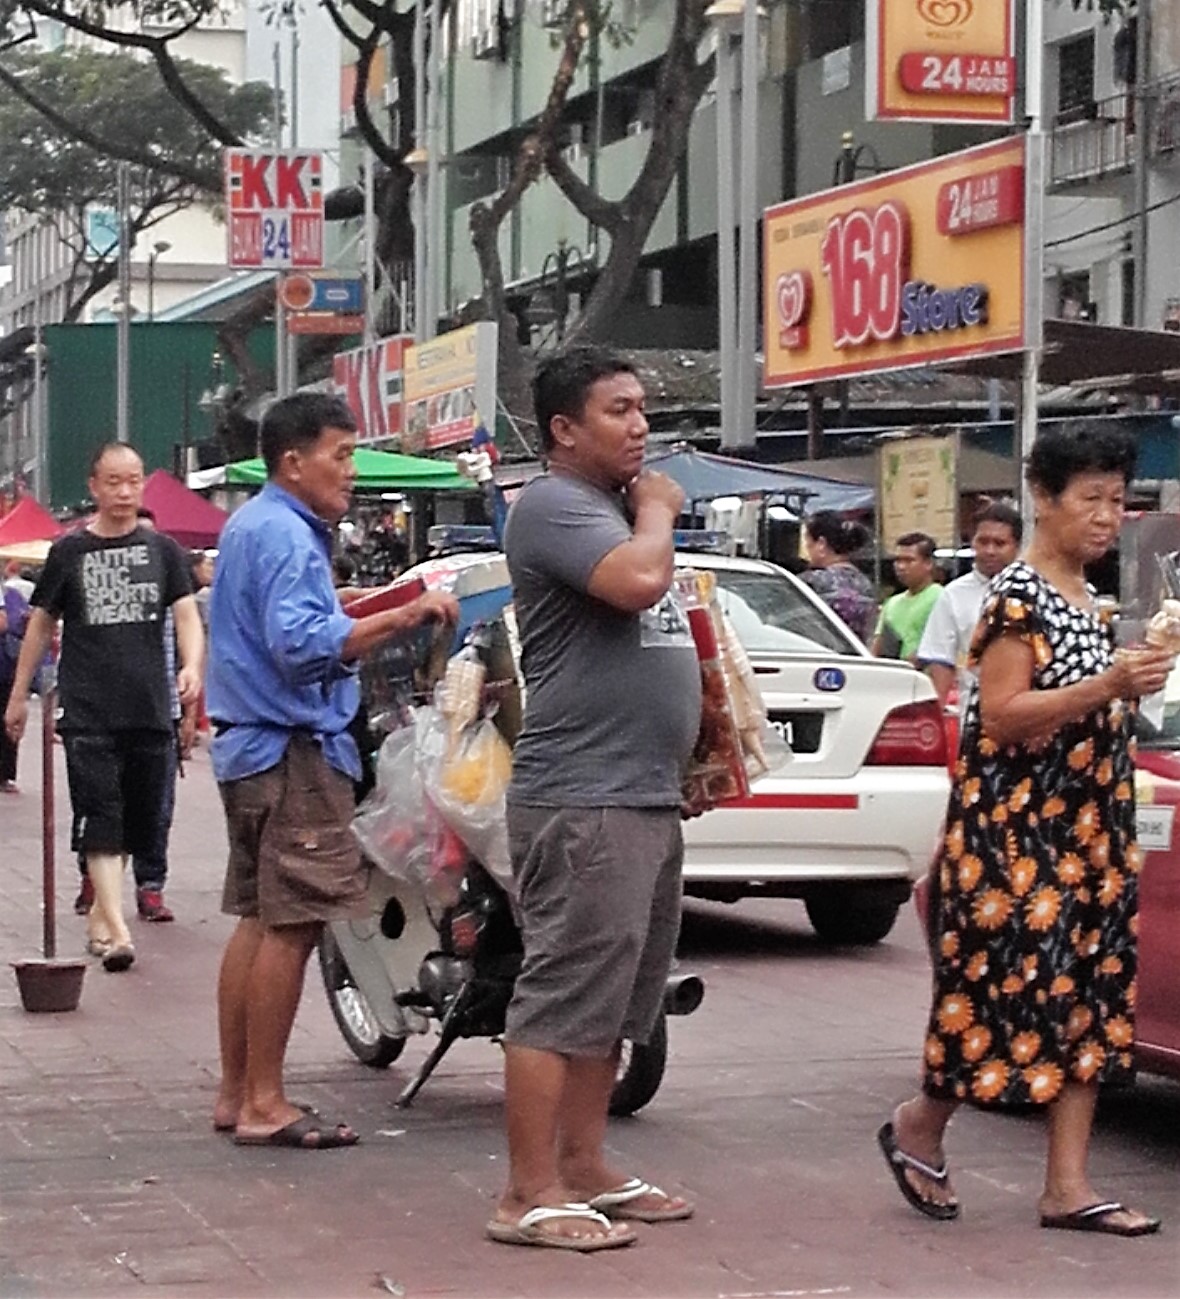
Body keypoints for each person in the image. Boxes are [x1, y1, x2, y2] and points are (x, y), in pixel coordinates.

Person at [877, 422, 1171, 1237]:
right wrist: (1109, 684)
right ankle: (920, 1124)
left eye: (1118, 500)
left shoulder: (1091, 597)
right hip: (1016, 833)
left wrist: (1134, 684)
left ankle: (1067, 1185)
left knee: (1090, 1000)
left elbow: (1095, 703)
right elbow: (1003, 714)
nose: (1107, 516)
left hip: (1092, 828)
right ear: (1044, 498)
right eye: (1091, 498)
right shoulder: (1018, 597)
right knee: (999, 993)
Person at [488, 347, 701, 1252]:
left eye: (644, 408)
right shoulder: (554, 504)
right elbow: (636, 581)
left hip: (640, 793)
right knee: (565, 996)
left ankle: (583, 1165)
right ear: (564, 430)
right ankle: (527, 1192)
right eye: (619, 409)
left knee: (615, 1003)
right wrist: (658, 509)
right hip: (585, 795)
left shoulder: (611, 511)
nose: (641, 426)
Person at [206, 392, 457, 1150]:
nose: (350, 470)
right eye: (340, 455)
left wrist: (359, 604)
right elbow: (302, 645)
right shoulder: (285, 533)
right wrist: (399, 617)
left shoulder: (258, 524)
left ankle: (238, 1092)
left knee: (260, 917)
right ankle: (264, 1100)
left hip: (253, 750)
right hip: (291, 752)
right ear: (293, 461)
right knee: (293, 924)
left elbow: (291, 619)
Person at [4, 444, 203, 972]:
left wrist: (192, 667)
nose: (124, 492)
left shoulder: (164, 551)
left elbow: (186, 615)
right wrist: (20, 694)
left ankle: (101, 917)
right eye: (113, 482)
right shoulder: (69, 552)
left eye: (133, 481)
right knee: (101, 814)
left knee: (142, 818)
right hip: (88, 707)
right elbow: (41, 624)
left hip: (149, 706)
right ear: (93, 486)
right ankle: (116, 931)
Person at [918, 502, 1023, 714]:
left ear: (1017, 546)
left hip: (1029, 712)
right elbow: (941, 661)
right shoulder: (953, 595)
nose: (990, 551)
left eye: (1000, 543)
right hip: (975, 712)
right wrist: (935, 715)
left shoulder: (1033, 590)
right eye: (983, 542)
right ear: (972, 543)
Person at [798, 511, 876, 642]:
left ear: (821, 544)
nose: (805, 547)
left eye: (807, 541)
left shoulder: (810, 582)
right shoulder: (865, 583)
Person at [871, 531, 941, 662]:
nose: (901, 567)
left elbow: (940, 644)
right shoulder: (891, 603)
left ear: (928, 564)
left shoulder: (941, 598)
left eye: (909, 560)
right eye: (898, 560)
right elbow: (877, 646)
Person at [0, 573, 31, 792]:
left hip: (4, 664)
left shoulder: (10, 594)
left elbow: (3, 623)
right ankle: (5, 775)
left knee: (6, 718)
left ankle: (5, 773)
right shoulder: (13, 594)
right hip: (7, 664)